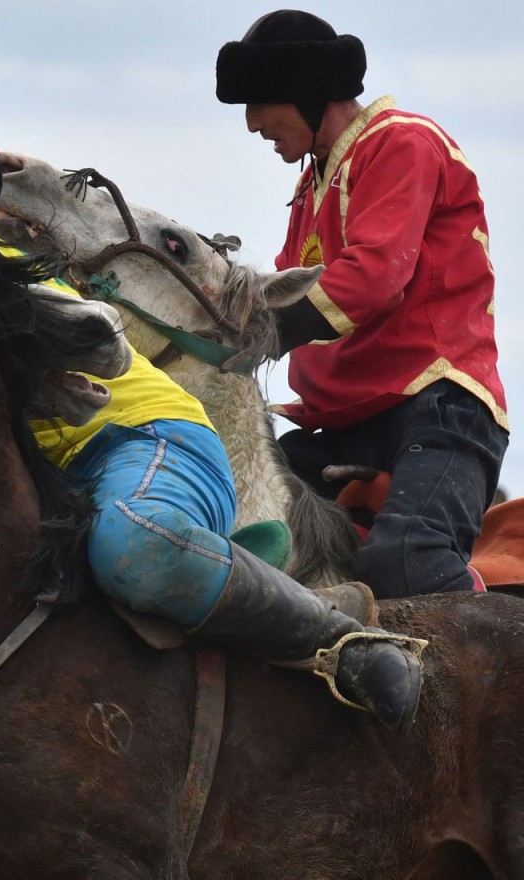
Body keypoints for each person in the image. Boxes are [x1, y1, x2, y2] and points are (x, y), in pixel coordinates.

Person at [0, 158, 427, 730]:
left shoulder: (3, 271)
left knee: (133, 543)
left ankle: (346, 642)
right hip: (71, 468)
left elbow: (96, 338)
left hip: (144, 437)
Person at [215, 10, 509, 599]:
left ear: (307, 92)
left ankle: (497, 643)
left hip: (437, 406)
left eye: (259, 101)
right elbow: (290, 286)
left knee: (408, 565)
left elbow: (376, 275)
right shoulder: (316, 182)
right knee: (235, 531)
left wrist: (263, 331)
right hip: (343, 424)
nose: (251, 125)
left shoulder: (403, 142)